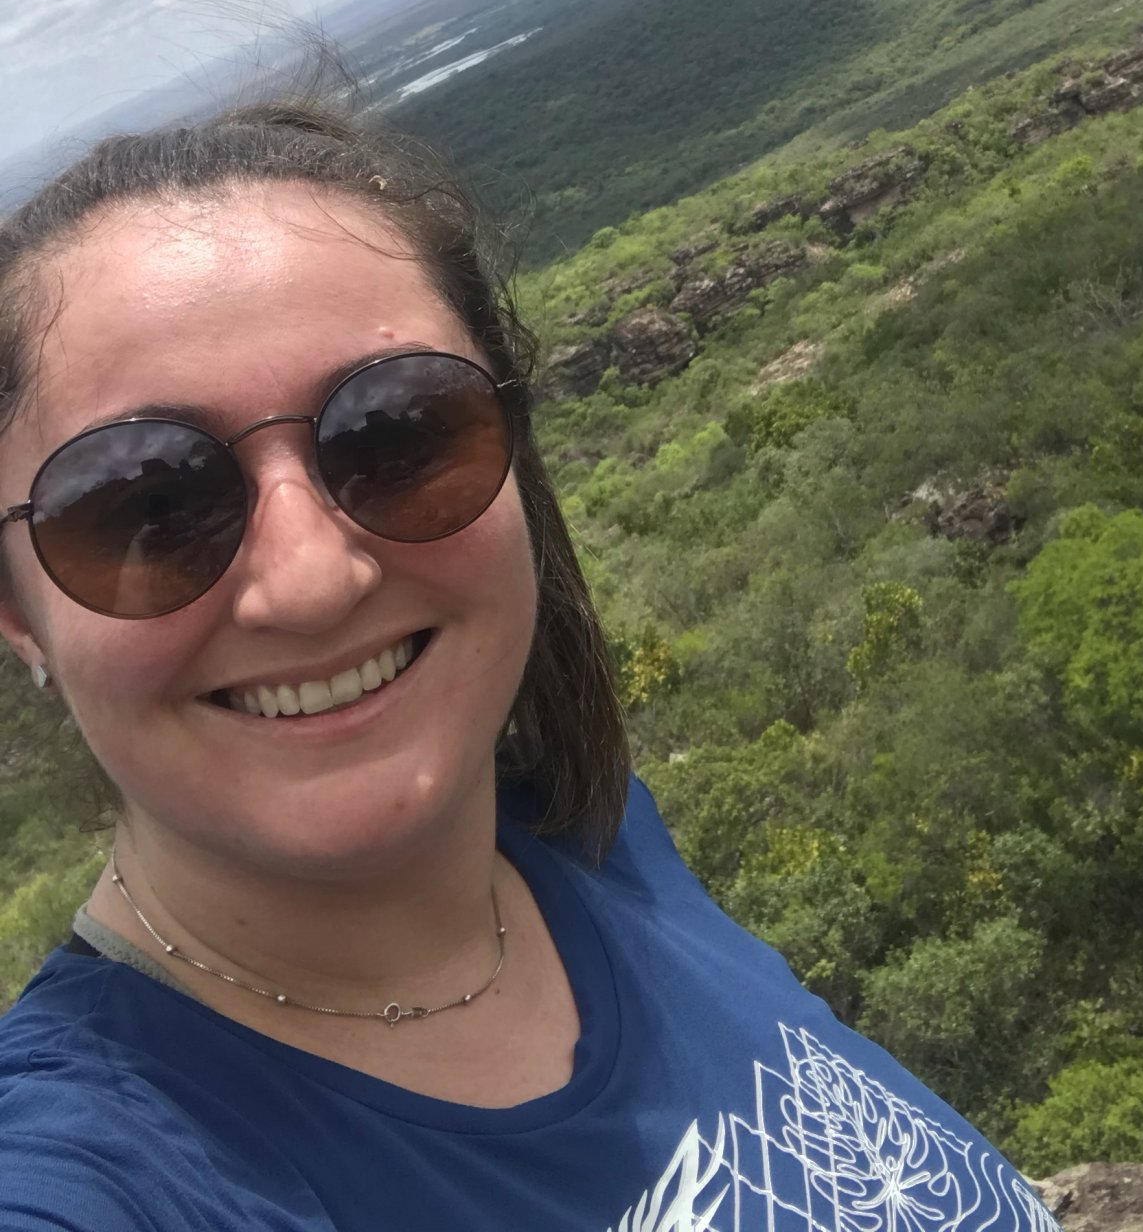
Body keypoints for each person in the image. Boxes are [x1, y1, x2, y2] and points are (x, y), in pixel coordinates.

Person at [0, 97, 1059, 1231]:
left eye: (397, 432)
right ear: (16, 613)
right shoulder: (95, 1176)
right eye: (148, 507)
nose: (310, 579)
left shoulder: (585, 831)